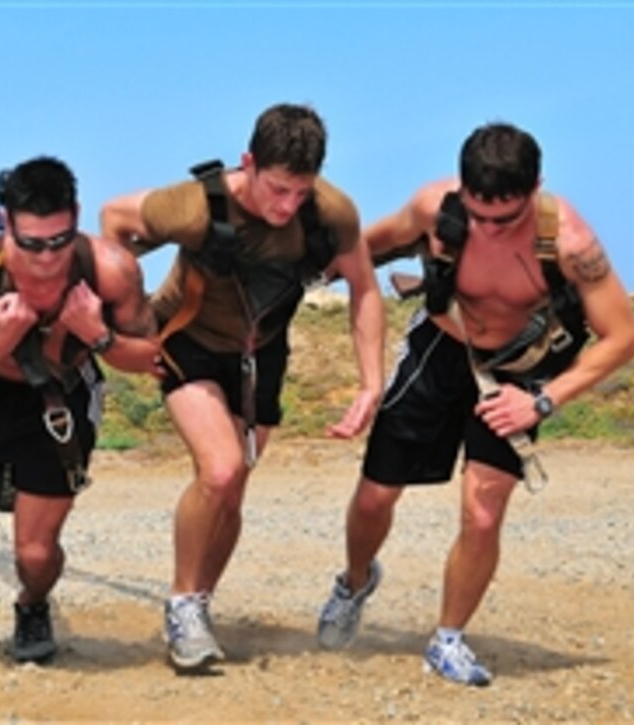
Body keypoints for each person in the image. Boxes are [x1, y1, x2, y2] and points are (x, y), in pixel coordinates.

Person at [315, 122, 634, 686]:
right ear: (463, 190)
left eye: (506, 219)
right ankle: (355, 580)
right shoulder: (431, 208)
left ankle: (447, 639)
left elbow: (622, 336)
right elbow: (367, 245)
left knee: (483, 512)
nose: (490, 230)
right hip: (442, 349)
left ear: (536, 188)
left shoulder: (570, 242)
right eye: (480, 216)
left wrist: (541, 401)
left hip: (521, 375)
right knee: (374, 498)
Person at [100, 103, 386, 672]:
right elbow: (112, 221)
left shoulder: (330, 215)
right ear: (248, 163)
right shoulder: (193, 206)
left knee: (232, 491)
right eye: (277, 189)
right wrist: (125, 327)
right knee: (221, 469)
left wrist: (370, 383)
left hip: (262, 355)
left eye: (299, 194)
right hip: (188, 342)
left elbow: (366, 289)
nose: (286, 207)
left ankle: (198, 607)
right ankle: (182, 603)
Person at [0, 156, 160, 664]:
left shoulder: (109, 270)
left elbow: (150, 358)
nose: (47, 258)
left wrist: (96, 334)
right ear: (7, 224)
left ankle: (33, 604)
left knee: (34, 552)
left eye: (59, 241)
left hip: (59, 399)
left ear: (75, 217)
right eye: (31, 243)